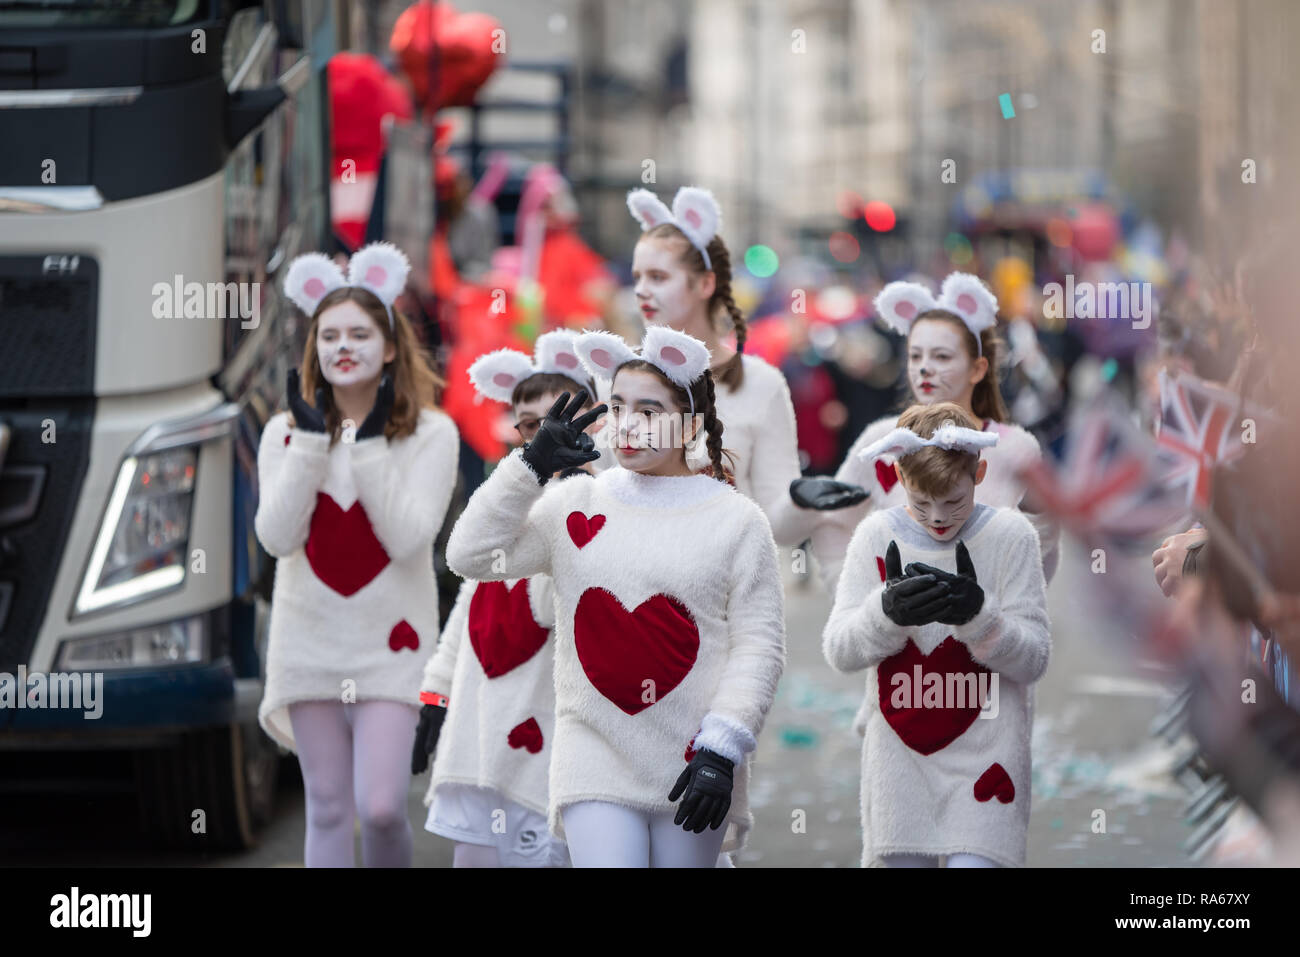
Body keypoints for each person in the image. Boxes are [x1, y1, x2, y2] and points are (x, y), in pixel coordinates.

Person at [444, 325, 786, 867]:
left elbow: (759, 646)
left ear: (690, 424)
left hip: (693, 759)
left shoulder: (737, 520)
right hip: (593, 754)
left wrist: (723, 747)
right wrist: (530, 467)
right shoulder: (577, 501)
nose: (630, 425)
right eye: (619, 406)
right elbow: (470, 555)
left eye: (650, 412)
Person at [255, 242, 460, 867]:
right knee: (328, 806)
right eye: (329, 335)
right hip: (308, 641)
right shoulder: (285, 433)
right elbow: (277, 538)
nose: (343, 347)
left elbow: (407, 539)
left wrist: (367, 451)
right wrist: (313, 447)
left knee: (380, 808)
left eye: (361, 334)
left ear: (391, 346)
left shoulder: (432, 433)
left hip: (391, 649)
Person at [822, 402, 1050, 867]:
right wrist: (884, 614)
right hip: (901, 769)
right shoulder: (874, 535)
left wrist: (980, 619)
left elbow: (1035, 660)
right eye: (921, 503)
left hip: (988, 759)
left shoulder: (1012, 537)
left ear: (980, 472)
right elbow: (839, 650)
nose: (938, 518)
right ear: (900, 478)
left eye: (953, 502)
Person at [413, 331, 598, 868]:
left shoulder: (597, 506)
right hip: (478, 741)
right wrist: (435, 693)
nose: (547, 436)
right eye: (531, 426)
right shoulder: (500, 506)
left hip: (547, 753)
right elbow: (470, 601)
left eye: (561, 420)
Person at [626, 186, 864, 542]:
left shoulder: (762, 384)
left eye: (658, 277)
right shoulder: (615, 380)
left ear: (706, 283)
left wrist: (802, 502)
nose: (642, 290)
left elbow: (778, 525)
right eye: (637, 277)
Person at [810, 273, 1059, 594]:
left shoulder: (1015, 447)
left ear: (977, 368)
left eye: (941, 356)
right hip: (896, 637)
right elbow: (833, 521)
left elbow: (1040, 559)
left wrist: (991, 608)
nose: (925, 368)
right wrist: (856, 597)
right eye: (916, 356)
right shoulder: (881, 440)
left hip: (985, 636)